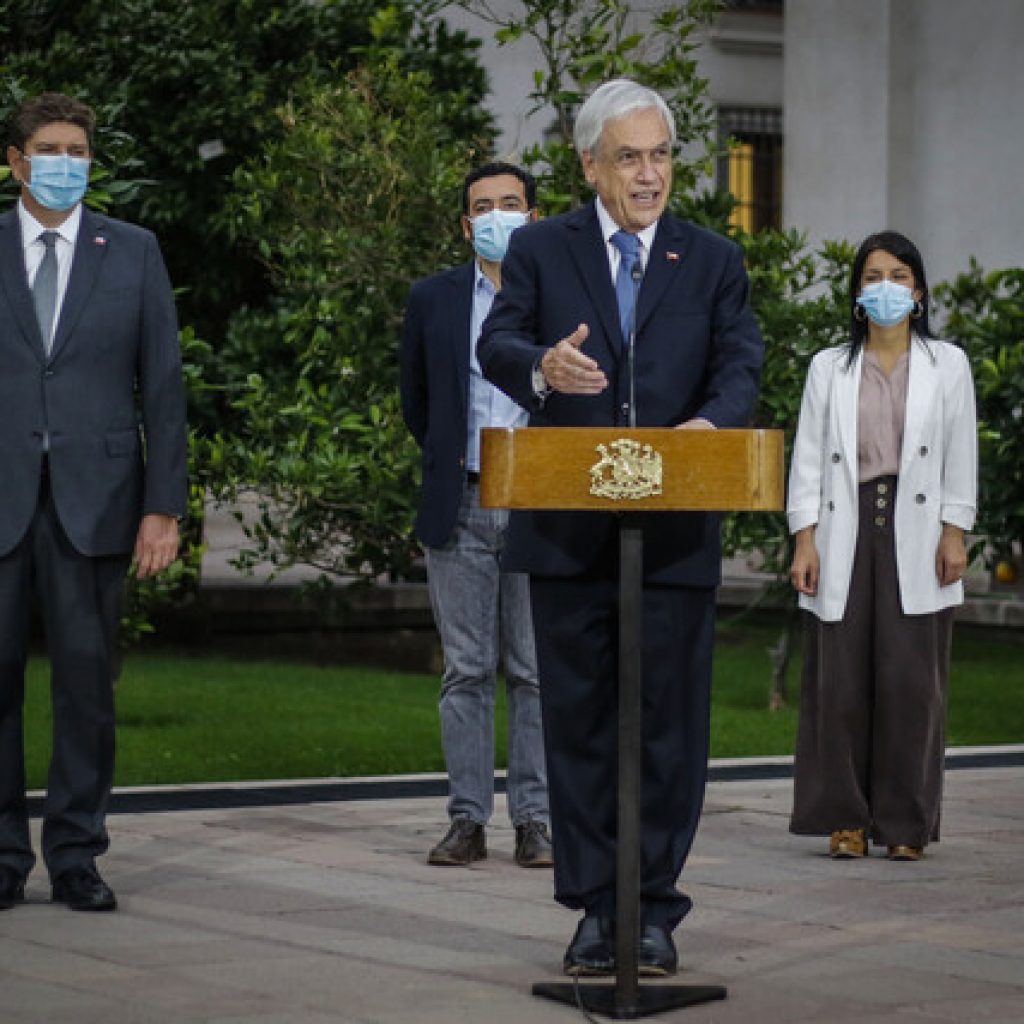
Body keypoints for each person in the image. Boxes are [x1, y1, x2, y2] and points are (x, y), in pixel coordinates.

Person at [477, 81, 763, 976]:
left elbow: (739, 361)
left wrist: (710, 430)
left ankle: (655, 911)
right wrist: (541, 366)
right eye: (630, 157)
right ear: (589, 164)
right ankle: (597, 907)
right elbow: (499, 343)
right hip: (569, 531)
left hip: (673, 533)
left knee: (669, 729)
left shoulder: (711, 259)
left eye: (662, 155)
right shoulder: (539, 249)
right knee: (582, 726)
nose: (650, 175)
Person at [0, 94, 187, 912]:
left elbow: (166, 386)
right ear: (14, 160)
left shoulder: (133, 250)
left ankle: (76, 855)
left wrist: (164, 505)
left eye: (78, 149)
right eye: (49, 148)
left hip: (99, 502)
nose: (65, 161)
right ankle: (4, 857)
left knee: (85, 688)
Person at [787, 230, 977, 862]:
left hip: (919, 534)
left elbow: (960, 453)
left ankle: (905, 824)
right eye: (873, 276)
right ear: (857, 293)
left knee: (912, 681)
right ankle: (845, 819)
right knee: (839, 682)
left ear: (918, 293)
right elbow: (808, 458)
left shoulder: (947, 364)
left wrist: (956, 529)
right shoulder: (828, 367)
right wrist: (803, 540)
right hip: (846, 531)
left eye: (899, 276)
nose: (886, 287)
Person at [400, 162, 553, 869]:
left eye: (511, 204)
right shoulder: (432, 299)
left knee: (532, 671)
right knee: (465, 669)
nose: (497, 216)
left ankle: (536, 819)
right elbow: (417, 402)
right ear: (466, 224)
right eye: (483, 207)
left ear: (534, 215)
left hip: (536, 501)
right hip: (458, 498)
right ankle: (467, 820)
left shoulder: (560, 297)